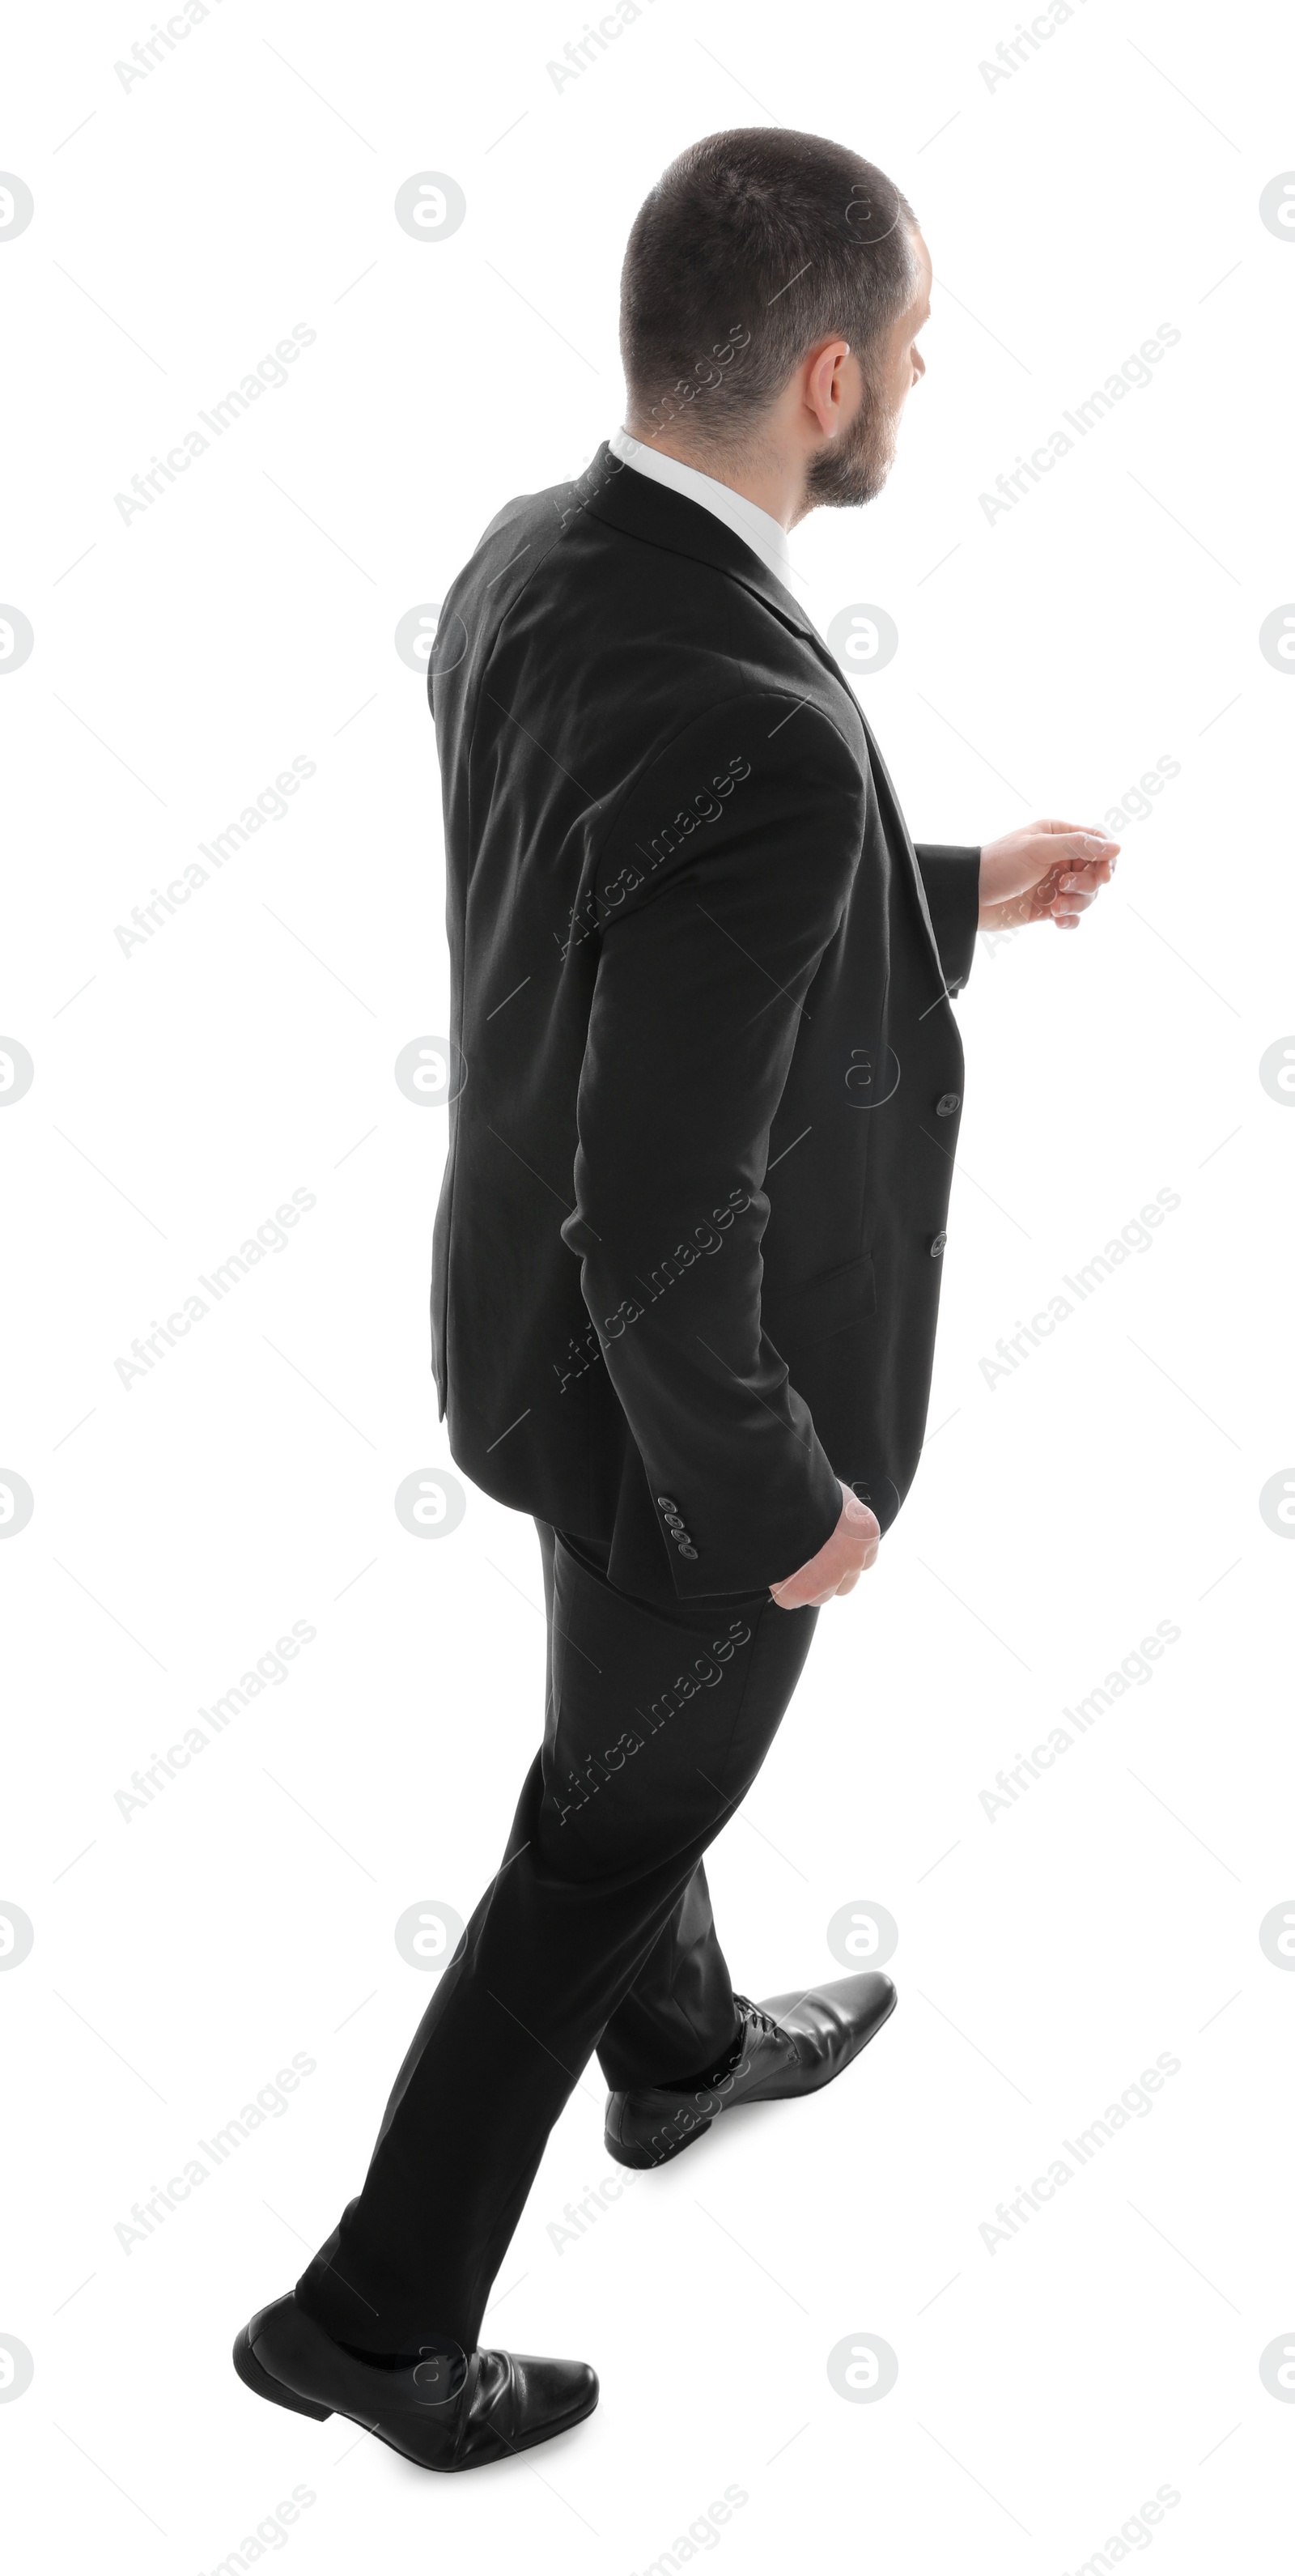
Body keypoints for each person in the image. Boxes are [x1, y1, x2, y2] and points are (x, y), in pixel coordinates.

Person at [234, 125, 1116, 2473]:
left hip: (525, 1348)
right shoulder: (760, 719)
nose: (925, 380)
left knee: (628, 1759)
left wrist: (944, 892)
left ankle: (686, 2051)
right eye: (914, 350)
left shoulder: (536, 562)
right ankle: (374, 2317)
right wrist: (781, 1493)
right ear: (826, 374)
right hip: (672, 1409)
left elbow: (639, 900)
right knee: (602, 1827)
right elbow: (668, 1212)